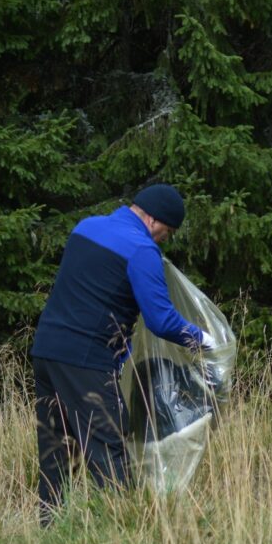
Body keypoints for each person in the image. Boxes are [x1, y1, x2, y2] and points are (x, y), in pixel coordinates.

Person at [30, 183, 215, 523]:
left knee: (56, 449)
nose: (164, 239)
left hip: (45, 351)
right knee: (108, 446)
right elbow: (160, 320)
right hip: (85, 359)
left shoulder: (85, 228)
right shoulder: (141, 250)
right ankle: (123, 531)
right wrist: (201, 338)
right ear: (154, 220)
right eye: (167, 232)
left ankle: (49, 530)